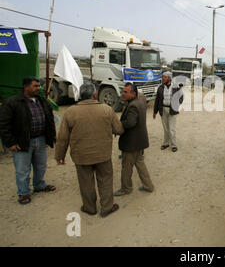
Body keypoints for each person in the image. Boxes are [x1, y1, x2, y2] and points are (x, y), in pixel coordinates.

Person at [55, 82, 123, 217]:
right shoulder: (107, 109)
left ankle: (89, 207)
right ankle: (107, 207)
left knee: (85, 182)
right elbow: (118, 130)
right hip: (103, 154)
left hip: (81, 156)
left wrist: (60, 156)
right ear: (95, 94)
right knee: (105, 180)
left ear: (81, 95)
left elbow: (62, 138)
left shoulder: (70, 112)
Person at [0, 77, 57, 205]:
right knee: (22, 169)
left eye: (39, 86)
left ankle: (39, 185)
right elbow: (4, 124)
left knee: (40, 166)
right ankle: (24, 192)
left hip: (41, 139)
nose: (38, 88)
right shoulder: (13, 102)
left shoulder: (42, 101)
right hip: (22, 142)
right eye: (35, 86)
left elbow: (50, 119)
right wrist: (10, 143)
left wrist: (52, 135)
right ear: (26, 87)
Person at [114, 83, 155, 196]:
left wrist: (119, 124)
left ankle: (126, 188)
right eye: (123, 91)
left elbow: (131, 123)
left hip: (131, 143)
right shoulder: (140, 102)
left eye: (125, 92)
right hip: (139, 141)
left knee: (126, 167)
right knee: (140, 164)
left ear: (133, 93)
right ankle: (148, 185)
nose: (123, 93)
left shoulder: (133, 105)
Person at [153, 71, 184, 152]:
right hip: (163, 109)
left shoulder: (176, 87)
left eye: (164, 77)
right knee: (166, 128)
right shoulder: (160, 87)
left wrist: (176, 104)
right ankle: (166, 143)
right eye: (162, 77)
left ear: (169, 78)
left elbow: (181, 97)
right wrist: (155, 111)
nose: (163, 78)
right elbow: (157, 100)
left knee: (172, 129)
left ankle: (174, 145)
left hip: (172, 110)